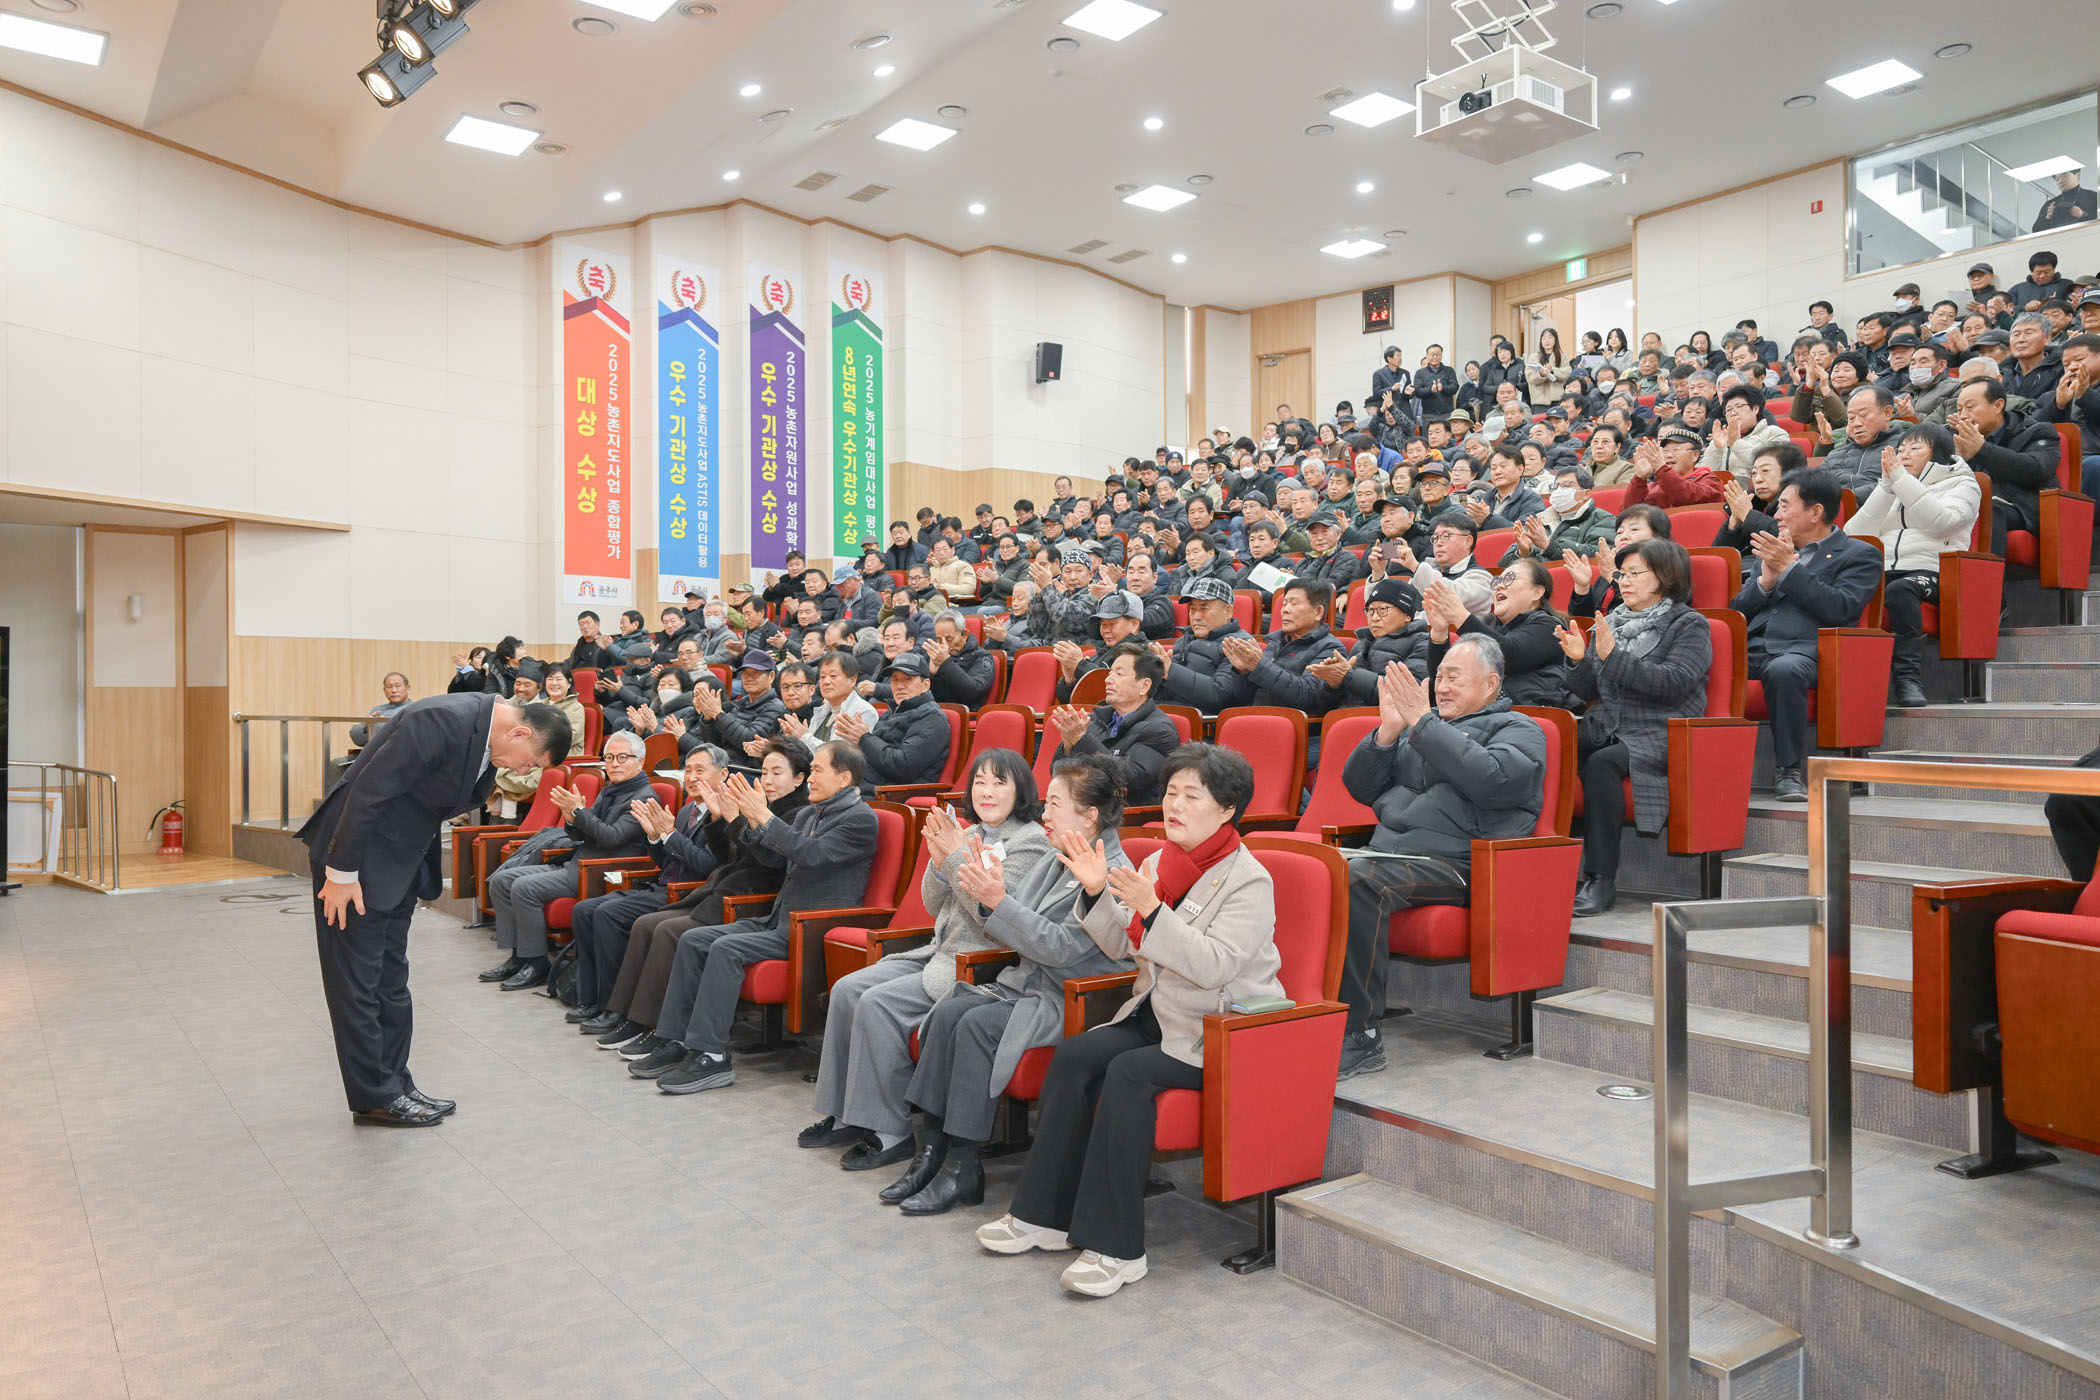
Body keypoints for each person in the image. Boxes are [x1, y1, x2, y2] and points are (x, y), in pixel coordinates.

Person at [976, 745, 1278, 1298]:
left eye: (1192, 796)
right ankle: (1042, 1216)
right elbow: (1124, 946)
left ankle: (1117, 1248)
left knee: (1128, 1074)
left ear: (1227, 809)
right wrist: (1097, 890)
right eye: (1170, 793)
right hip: (1157, 1013)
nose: (1175, 806)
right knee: (1076, 1055)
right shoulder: (1160, 863)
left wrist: (1152, 911)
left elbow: (1215, 966)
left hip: (1218, 1030)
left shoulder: (1248, 880)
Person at [301, 691, 569, 1126]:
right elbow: (368, 793)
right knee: (357, 983)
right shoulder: (441, 720)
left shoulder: (484, 734)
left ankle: (396, 1084)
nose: (523, 772)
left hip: (397, 862)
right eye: (530, 763)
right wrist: (341, 873)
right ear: (520, 733)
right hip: (356, 860)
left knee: (391, 980)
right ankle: (374, 1096)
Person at [888, 754, 1136, 1215]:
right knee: (948, 1011)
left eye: (1055, 804)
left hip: (1070, 998)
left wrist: (999, 901)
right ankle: (933, 1151)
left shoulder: (1113, 872)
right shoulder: (1056, 858)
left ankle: (963, 1166)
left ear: (1089, 817)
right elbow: (1014, 920)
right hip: (1026, 983)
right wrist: (992, 894)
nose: (1044, 812)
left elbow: (1060, 948)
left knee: (976, 1025)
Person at [800, 751, 1054, 1170]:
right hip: (938, 950)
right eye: (980, 782)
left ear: (1020, 789)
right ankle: (845, 1114)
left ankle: (891, 1132)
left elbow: (993, 918)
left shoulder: (1030, 842)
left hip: (977, 963)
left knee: (878, 1004)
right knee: (847, 989)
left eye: (999, 783)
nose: (987, 792)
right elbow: (934, 905)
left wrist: (953, 858)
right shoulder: (969, 833)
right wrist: (938, 863)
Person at [1335, 638, 1546, 1079]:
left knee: (1358, 878)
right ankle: (1296, 1014)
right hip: (1388, 855)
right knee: (1304, 869)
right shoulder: (1422, 727)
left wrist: (1422, 724)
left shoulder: (1520, 729)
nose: (1442, 687)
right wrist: (1387, 732)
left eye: (1454, 678)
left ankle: (1360, 1035)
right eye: (1440, 677)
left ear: (1490, 683)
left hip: (1461, 864)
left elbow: (1492, 781)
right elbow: (1359, 788)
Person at [629, 741, 880, 1093]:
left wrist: (764, 816)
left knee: (725, 949)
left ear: (844, 778)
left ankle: (713, 1056)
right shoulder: (809, 814)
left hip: (811, 927)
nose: (811, 778)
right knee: (694, 939)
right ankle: (678, 1039)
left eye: (818, 770)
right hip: (779, 919)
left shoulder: (861, 819)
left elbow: (811, 854)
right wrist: (747, 820)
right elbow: (774, 860)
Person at [584, 741, 811, 1053]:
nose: (768, 780)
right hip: (722, 892)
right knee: (646, 924)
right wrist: (719, 821)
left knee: (666, 930)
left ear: (799, 778)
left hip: (750, 902)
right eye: (764, 772)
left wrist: (738, 819)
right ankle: (629, 1017)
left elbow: (771, 861)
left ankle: (658, 1027)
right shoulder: (761, 805)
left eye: (777, 773)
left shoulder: (798, 814)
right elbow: (728, 857)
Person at [1557, 540, 1713, 916]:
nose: (1623, 581)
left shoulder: (1689, 624)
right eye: (1621, 574)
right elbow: (1590, 691)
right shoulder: (1612, 621)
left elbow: (1673, 682)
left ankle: (1600, 880)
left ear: (1665, 576)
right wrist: (1578, 661)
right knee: (1544, 746)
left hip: (1661, 730)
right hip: (1609, 724)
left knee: (1601, 764)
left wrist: (1613, 658)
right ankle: (1540, 866)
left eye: (1634, 573)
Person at [1731, 469, 1882, 802]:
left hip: (1809, 652)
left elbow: (1841, 608)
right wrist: (1765, 583)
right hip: (1754, 648)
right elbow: (1738, 611)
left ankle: (1788, 771)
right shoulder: (1774, 549)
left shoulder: (1860, 554)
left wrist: (1790, 570)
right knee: (1701, 659)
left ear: (1816, 512)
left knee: (1784, 670)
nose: (1776, 515)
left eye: (1785, 506)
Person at [480, 729, 655, 990]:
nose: (614, 764)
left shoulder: (644, 797)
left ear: (640, 761)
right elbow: (578, 835)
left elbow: (612, 837)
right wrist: (572, 818)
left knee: (524, 887)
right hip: (578, 863)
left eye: (622, 758)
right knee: (502, 880)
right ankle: (518, 956)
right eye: (609, 758)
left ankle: (537, 963)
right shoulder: (611, 790)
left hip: (600, 871)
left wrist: (579, 812)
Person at [564, 744, 726, 1024]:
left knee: (608, 914)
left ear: (722, 774)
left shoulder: (721, 815)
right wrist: (654, 838)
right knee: (584, 910)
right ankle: (589, 997)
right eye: (688, 770)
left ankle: (613, 1004)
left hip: (688, 894)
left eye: (700, 771)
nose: (691, 778)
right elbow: (667, 862)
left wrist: (670, 835)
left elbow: (705, 866)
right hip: (663, 886)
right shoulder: (687, 810)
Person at [1844, 422, 1981, 708]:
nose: (1904, 454)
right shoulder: (1896, 484)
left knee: (1900, 590)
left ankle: (1908, 678)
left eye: (1915, 448)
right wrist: (1886, 486)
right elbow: (1854, 536)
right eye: (1901, 449)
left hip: (1935, 573)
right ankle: (1848, 682)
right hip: (1884, 571)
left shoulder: (1962, 483)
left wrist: (1901, 481)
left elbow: (1940, 523)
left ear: (1938, 452)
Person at [1422, 557, 1572, 709]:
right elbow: (1442, 676)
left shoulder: (1551, 627)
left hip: (1525, 714)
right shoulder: (1487, 625)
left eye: (1510, 578)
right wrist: (1439, 632)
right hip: (1479, 712)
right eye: (1497, 581)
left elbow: (1507, 656)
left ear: (1537, 592)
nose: (1499, 586)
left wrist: (1459, 615)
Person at [1046, 643, 1180, 806]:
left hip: (1125, 814)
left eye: (1119, 673)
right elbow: (1056, 771)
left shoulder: (1160, 730)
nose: (1108, 679)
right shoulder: (1096, 719)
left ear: (1144, 686)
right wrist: (1068, 746)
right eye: (1110, 672)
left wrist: (1081, 741)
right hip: (1085, 806)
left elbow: (1128, 778)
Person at [1949, 377, 2060, 554]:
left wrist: (1982, 449)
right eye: (1959, 409)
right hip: (1976, 502)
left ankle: (1988, 571)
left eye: (1970, 407)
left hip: (2022, 508)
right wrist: (1962, 460)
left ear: (1998, 405)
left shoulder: (2038, 431)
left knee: (1986, 509)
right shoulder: (1962, 438)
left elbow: (2035, 470)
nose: (1963, 415)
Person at [838, 650, 950, 795]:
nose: (900, 686)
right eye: (895, 680)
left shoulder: (932, 718)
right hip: (866, 788)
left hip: (893, 795)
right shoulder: (891, 712)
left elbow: (903, 766)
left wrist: (865, 738)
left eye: (908, 679)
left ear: (926, 685)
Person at [1625, 422, 1727, 507]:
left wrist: (1661, 468)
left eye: (1676, 450)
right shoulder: (1654, 485)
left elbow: (1688, 497)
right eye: (1665, 451)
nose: (1669, 455)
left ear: (1695, 455)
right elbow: (1628, 512)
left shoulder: (1710, 481)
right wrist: (1640, 479)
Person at [350, 672, 409, 747]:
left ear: (408, 688)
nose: (394, 690)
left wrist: (374, 726)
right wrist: (366, 725)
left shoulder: (412, 709)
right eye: (389, 686)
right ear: (384, 691)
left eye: (398, 686)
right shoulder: (377, 709)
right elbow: (357, 739)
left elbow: (396, 736)